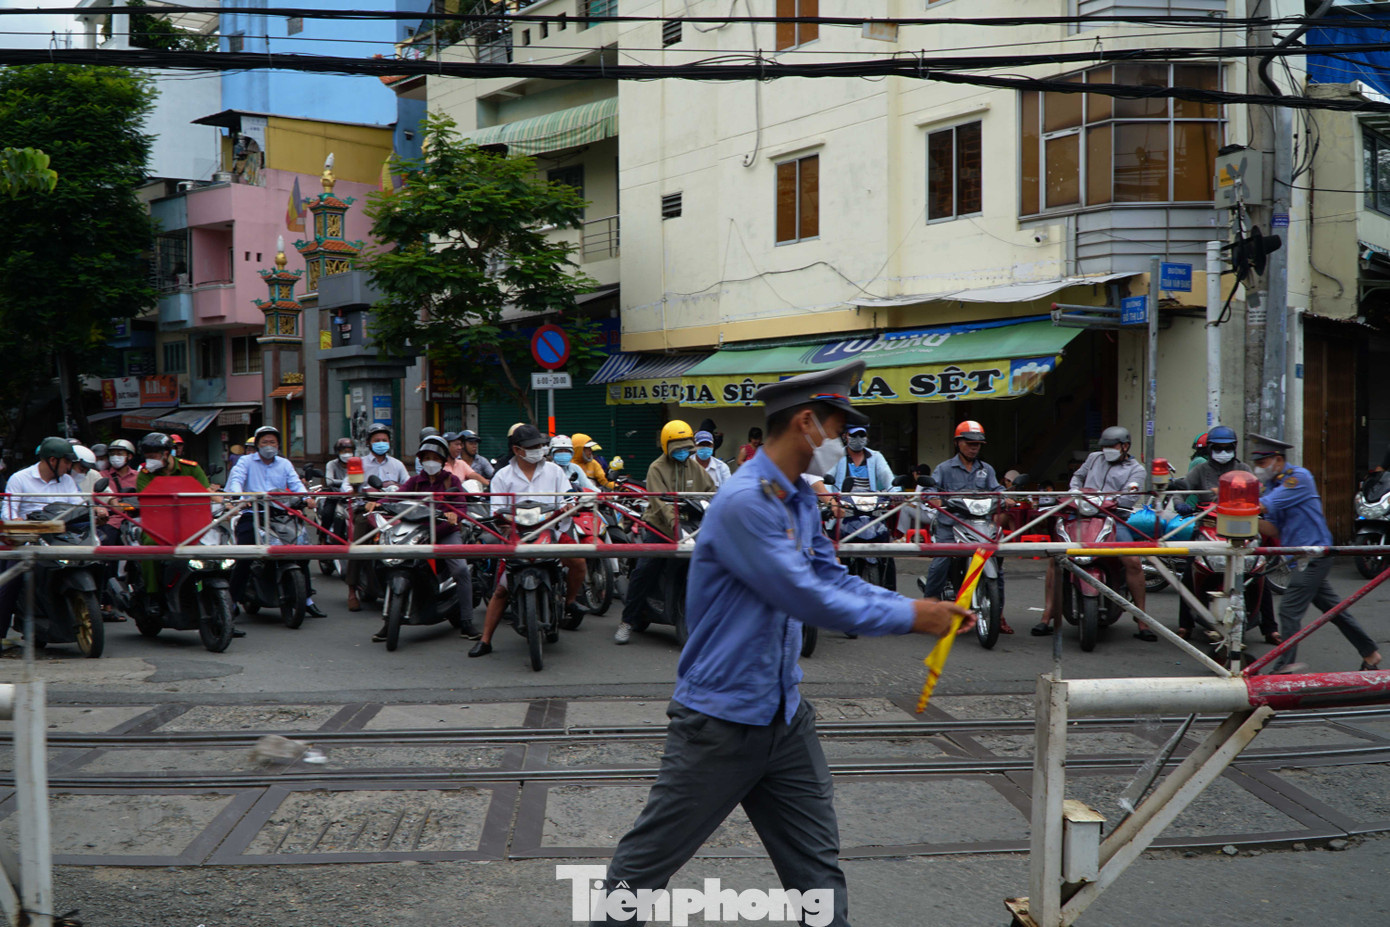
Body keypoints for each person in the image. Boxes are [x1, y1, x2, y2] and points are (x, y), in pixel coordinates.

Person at [594, 361, 973, 927]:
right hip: (719, 722)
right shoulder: (746, 502)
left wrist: (907, 608)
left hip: (786, 717)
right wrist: (911, 614)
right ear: (806, 424)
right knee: (643, 871)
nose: (843, 443)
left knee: (817, 876)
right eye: (838, 430)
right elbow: (804, 596)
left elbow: (830, 577)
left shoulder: (795, 496)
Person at [1249, 433, 1381, 673]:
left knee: (1288, 610)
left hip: (1314, 555)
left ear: (1277, 460)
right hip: (1299, 557)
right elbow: (1273, 527)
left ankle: (1284, 667)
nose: (1258, 470)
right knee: (1334, 611)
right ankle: (1370, 653)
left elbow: (1264, 506)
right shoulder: (1273, 486)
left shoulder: (1297, 478)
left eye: (1261, 464)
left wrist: (1236, 501)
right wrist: (1244, 519)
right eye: (1256, 465)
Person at [468, 424, 587, 657]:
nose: (539, 450)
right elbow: (497, 511)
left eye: (541, 445)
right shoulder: (502, 476)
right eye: (533, 446)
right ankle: (485, 640)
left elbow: (566, 497)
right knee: (501, 589)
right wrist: (502, 520)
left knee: (580, 562)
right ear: (517, 449)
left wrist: (569, 505)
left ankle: (570, 601)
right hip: (516, 536)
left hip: (551, 531)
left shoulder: (554, 471)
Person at [1032, 426, 1154, 639]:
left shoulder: (1137, 469)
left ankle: (1141, 619)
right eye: (1105, 446)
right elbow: (1077, 478)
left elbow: (1130, 496)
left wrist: (1113, 501)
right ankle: (1047, 614)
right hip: (1082, 516)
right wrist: (1075, 492)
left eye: (1112, 446)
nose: (1107, 450)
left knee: (1132, 560)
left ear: (1125, 446)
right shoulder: (1094, 458)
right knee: (1055, 558)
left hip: (1115, 519)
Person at [1167, 426, 1278, 643]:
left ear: (1234, 448)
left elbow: (1261, 493)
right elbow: (1182, 488)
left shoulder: (1244, 469)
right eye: (1218, 448)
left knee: (1258, 571)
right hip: (1208, 527)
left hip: (1241, 529)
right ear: (1210, 449)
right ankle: (1185, 625)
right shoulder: (1200, 471)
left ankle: (1270, 628)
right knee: (1189, 573)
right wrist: (1180, 504)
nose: (1223, 451)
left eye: (1227, 448)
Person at [613, 420, 717, 645]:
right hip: (660, 527)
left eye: (685, 447)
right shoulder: (656, 468)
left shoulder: (695, 467)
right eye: (677, 448)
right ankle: (627, 621)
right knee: (645, 569)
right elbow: (659, 503)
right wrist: (673, 523)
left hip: (692, 527)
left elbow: (712, 492)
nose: (682, 452)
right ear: (666, 446)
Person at [379, 435, 479, 641]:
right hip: (418, 532)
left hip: (445, 532)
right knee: (387, 562)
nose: (430, 461)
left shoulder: (453, 481)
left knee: (460, 569)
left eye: (434, 457)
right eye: (426, 457)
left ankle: (467, 621)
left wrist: (454, 515)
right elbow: (396, 496)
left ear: (443, 460)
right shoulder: (415, 481)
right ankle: (388, 622)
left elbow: (461, 508)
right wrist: (377, 503)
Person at [225, 425, 323, 627]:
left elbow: (296, 485)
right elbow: (236, 480)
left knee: (302, 551)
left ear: (278, 445)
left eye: (272, 442)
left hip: (280, 514)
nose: (269, 446)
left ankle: (306, 599)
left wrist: (306, 498)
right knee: (245, 556)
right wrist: (236, 495)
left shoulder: (285, 463)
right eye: (264, 442)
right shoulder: (245, 462)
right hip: (253, 514)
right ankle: (231, 602)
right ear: (257, 445)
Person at [919, 421, 1012, 635]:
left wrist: (1006, 498)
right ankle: (928, 609)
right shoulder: (944, 468)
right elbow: (929, 491)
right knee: (941, 560)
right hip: (950, 526)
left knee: (996, 563)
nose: (974, 447)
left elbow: (998, 490)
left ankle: (997, 614)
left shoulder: (986, 469)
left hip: (980, 525)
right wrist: (934, 500)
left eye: (978, 444)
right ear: (957, 443)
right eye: (970, 443)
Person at [0, 438, 81, 638]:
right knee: (11, 580)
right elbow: (8, 511)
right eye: (67, 462)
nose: (70, 467)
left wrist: (95, 511)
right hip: (27, 540)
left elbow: (79, 506)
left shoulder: (67, 481)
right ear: (53, 460)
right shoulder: (20, 478)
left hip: (60, 537)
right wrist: (16, 521)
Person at [132, 433, 213, 622]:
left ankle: (226, 604)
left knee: (218, 546)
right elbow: (145, 500)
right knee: (150, 545)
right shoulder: (144, 474)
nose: (150, 460)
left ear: (167, 453)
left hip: (192, 523)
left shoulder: (191, 468)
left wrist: (225, 503)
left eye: (154, 455)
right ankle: (153, 595)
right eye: (147, 456)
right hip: (158, 525)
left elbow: (206, 494)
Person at [345, 423, 410, 612]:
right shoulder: (360, 463)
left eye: (384, 440)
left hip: (393, 511)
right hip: (366, 512)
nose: (381, 443)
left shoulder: (397, 464)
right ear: (369, 443)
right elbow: (346, 486)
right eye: (377, 440)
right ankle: (351, 590)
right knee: (358, 546)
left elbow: (408, 485)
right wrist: (355, 489)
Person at [827, 425, 896, 492]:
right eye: (853, 435)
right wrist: (830, 499)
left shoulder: (876, 456)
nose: (858, 439)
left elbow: (887, 476)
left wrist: (896, 494)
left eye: (862, 435)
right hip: (843, 502)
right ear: (845, 436)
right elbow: (826, 480)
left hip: (870, 501)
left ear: (867, 437)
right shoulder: (836, 455)